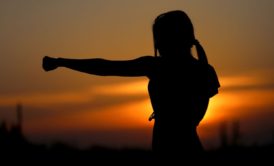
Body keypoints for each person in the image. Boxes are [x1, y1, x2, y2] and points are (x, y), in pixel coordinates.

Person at [42, 10, 220, 159]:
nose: (157, 44)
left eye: (159, 38)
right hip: (191, 149)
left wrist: (62, 62)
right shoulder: (205, 70)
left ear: (168, 39)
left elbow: (106, 67)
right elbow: (196, 113)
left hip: (169, 152)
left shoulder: (158, 67)